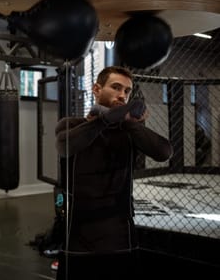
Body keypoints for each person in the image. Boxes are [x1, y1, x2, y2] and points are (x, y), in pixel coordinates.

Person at [54, 65, 173, 280]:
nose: (122, 95)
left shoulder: (127, 132)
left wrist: (129, 123)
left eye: (127, 91)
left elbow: (164, 152)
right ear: (96, 89)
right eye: (116, 87)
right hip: (80, 235)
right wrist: (105, 118)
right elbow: (65, 146)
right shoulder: (72, 124)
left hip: (120, 235)